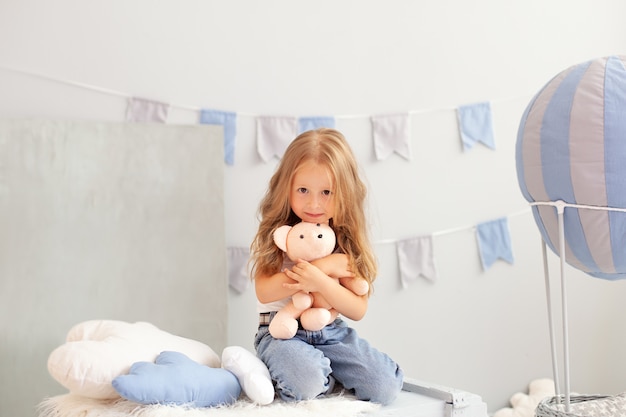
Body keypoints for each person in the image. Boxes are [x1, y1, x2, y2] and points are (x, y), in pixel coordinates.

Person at [250, 128, 404, 405]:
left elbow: (357, 309)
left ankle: (326, 369)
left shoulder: (342, 240)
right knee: (305, 381)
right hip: (281, 333)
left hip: (330, 331)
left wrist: (320, 281)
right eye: (303, 190)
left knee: (385, 386)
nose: (313, 203)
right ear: (287, 187)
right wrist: (322, 268)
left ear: (344, 193)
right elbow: (264, 291)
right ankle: (317, 374)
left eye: (326, 192)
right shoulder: (280, 234)